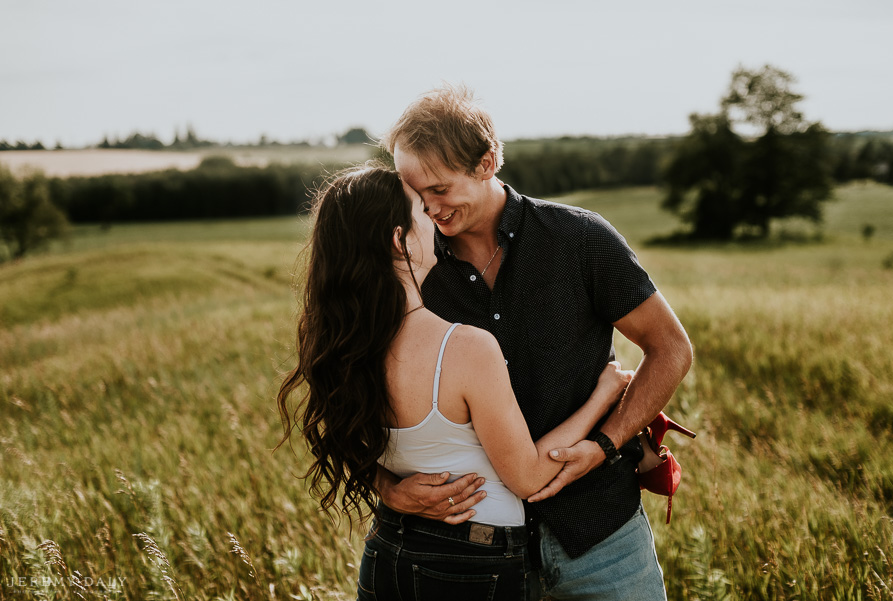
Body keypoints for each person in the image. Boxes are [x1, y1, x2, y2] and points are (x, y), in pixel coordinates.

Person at [377, 85, 694, 600]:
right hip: (468, 551)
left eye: (438, 189)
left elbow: (671, 349)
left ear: (487, 162)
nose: (428, 208)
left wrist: (604, 445)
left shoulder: (579, 238)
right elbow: (361, 388)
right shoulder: (413, 267)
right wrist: (386, 486)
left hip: (601, 535)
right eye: (414, 194)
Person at [276, 163, 637, 600]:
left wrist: (388, 488)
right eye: (421, 212)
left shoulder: (341, 344)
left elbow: (348, 440)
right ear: (399, 239)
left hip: (388, 551)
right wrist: (604, 394)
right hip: (473, 564)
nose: (434, 218)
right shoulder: (463, 348)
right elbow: (528, 477)